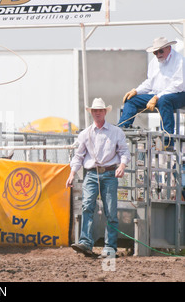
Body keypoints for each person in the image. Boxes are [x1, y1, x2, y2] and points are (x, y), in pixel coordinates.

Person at [66, 98, 131, 258]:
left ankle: (109, 247)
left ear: (104, 112)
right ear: (91, 112)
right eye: (95, 110)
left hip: (109, 172)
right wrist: (72, 173)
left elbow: (124, 152)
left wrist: (122, 165)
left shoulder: (116, 132)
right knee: (87, 206)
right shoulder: (85, 134)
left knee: (110, 210)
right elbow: (78, 156)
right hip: (92, 173)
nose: (97, 113)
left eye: (100, 110)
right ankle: (86, 242)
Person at [118, 37, 185, 150]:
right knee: (131, 100)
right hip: (158, 95)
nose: (158, 54)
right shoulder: (154, 62)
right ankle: (121, 129)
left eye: (160, 51)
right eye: (155, 52)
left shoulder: (179, 60)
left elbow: (178, 84)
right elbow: (150, 83)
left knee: (164, 100)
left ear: (169, 48)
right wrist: (136, 91)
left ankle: (167, 140)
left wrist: (157, 97)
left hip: (179, 94)